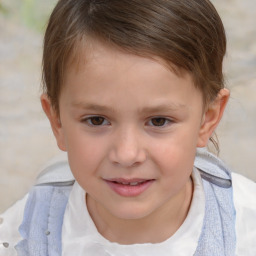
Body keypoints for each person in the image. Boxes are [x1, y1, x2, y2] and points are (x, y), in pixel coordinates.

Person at [0, 0, 255, 255]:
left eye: (158, 121)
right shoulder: (22, 234)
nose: (126, 154)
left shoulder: (247, 231)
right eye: (96, 120)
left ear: (207, 119)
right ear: (57, 122)